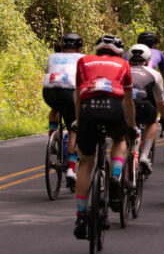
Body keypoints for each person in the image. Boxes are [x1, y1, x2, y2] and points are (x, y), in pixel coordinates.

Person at [73, 35, 137, 239]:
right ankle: (116, 176)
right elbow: (128, 101)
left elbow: (78, 95)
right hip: (114, 107)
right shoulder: (124, 64)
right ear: (118, 52)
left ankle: (81, 215)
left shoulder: (83, 61)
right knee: (119, 139)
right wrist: (132, 126)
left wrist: (78, 121)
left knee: (86, 162)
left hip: (87, 107)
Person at [43, 32, 84, 186]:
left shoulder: (52, 56)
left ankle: (53, 136)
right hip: (70, 91)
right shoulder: (82, 58)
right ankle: (71, 169)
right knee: (74, 127)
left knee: (55, 109)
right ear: (79, 47)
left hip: (49, 90)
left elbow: (49, 71)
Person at [127, 44, 164, 174]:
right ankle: (144, 154)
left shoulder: (122, 70)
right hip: (142, 105)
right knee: (153, 122)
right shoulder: (154, 73)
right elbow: (160, 101)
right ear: (147, 59)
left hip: (122, 106)